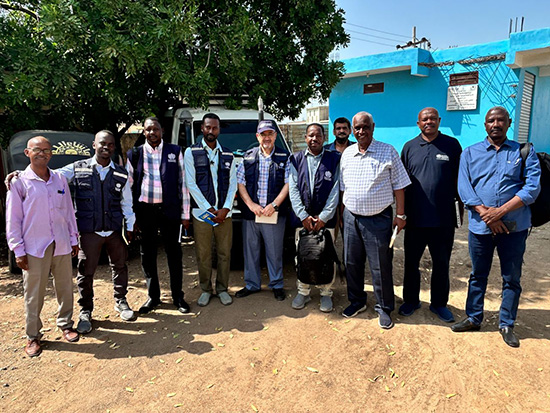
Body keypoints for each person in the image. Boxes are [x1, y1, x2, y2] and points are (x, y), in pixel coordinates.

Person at [451, 106, 541, 347]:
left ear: (509, 122)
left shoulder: (524, 152)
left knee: (511, 277)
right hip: (480, 228)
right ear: (485, 124)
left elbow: (532, 188)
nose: (496, 124)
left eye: (500, 120)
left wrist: (500, 212)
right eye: (491, 120)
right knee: (477, 275)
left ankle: (506, 323)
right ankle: (473, 317)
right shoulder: (470, 153)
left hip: (515, 227)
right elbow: (464, 188)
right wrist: (487, 214)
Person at [6, 136, 80, 357]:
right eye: (37, 150)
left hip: (61, 242)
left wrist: (73, 238)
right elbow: (13, 219)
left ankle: (66, 324)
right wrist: (17, 250)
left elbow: (68, 210)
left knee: (65, 286)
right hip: (34, 247)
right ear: (28, 153)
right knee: (34, 293)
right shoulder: (19, 182)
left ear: (51, 154)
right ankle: (33, 336)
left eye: (47, 150)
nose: (43, 153)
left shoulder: (58, 180)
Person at [57, 131, 136, 333]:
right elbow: (51, 176)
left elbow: (127, 203)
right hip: (89, 231)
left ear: (114, 148)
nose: (106, 147)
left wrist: (129, 226)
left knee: (119, 266)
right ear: (94, 145)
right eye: (102, 143)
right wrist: (23, 175)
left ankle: (121, 301)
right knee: (86, 272)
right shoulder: (77, 168)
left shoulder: (120, 173)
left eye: (110, 144)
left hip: (114, 230)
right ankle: (85, 311)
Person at [340, 111, 411, 329]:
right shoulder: (347, 153)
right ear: (353, 130)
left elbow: (399, 185)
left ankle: (384, 307)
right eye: (357, 128)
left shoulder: (387, 151)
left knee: (380, 265)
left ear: (373, 127)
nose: (361, 131)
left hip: (378, 219)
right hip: (351, 216)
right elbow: (343, 188)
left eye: (365, 127)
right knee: (351, 263)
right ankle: (357, 301)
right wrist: (342, 217)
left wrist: (400, 215)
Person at [399, 108, 462, 322]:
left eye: (433, 118)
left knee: (441, 264)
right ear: (418, 123)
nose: (429, 122)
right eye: (425, 119)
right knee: (411, 263)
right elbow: (401, 182)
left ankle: (439, 304)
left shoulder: (452, 145)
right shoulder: (409, 147)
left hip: (443, 219)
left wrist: (459, 212)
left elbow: (459, 180)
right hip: (415, 219)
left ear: (439, 121)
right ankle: (411, 300)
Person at [126, 117, 191, 314]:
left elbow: (183, 184)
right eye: (148, 130)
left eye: (155, 129)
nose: (152, 133)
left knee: (174, 252)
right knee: (148, 254)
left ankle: (178, 297)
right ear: (144, 132)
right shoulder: (135, 153)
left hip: (170, 210)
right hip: (145, 211)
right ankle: (153, 297)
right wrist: (131, 217)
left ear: (162, 130)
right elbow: (128, 187)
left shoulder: (175, 151)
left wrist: (185, 213)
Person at [184, 113, 237, 307]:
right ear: (202, 128)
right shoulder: (191, 152)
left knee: (224, 252)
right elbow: (191, 183)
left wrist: (224, 208)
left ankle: (222, 288)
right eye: (207, 127)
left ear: (219, 130)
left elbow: (233, 184)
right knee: (203, 253)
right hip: (202, 214)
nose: (211, 131)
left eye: (214, 128)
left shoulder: (228, 154)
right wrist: (209, 208)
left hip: (225, 214)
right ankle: (205, 289)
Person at [235, 119, 290, 301]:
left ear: (275, 136)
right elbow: (240, 183)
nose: (267, 137)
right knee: (250, 250)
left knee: (274, 251)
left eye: (270, 134)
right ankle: (252, 284)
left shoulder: (284, 157)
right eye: (263, 134)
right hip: (252, 213)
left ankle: (277, 284)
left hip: (273, 213)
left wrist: (274, 205)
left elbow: (289, 184)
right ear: (257, 136)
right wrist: (251, 205)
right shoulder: (247, 157)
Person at [289, 123, 340, 312]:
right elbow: (293, 189)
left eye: (318, 135)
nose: (314, 139)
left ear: (324, 138)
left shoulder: (334, 159)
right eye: (310, 135)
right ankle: (303, 291)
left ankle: (326, 293)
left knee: (326, 257)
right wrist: (303, 216)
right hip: (302, 222)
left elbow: (336, 190)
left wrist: (324, 217)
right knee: (302, 256)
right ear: (305, 138)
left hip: (326, 222)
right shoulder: (295, 159)